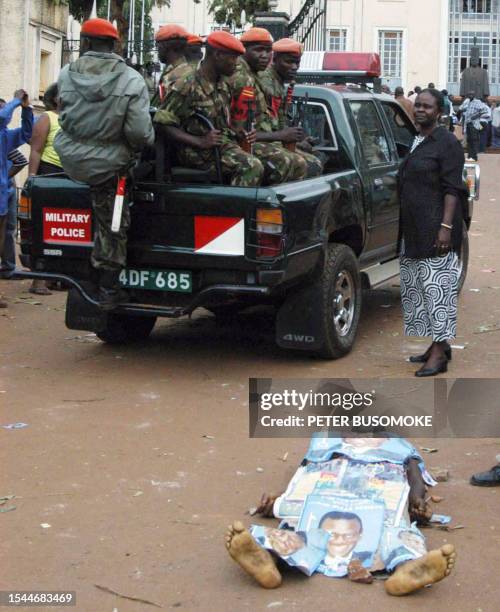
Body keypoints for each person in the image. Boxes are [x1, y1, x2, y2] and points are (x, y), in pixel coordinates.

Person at [225, 436, 456, 595]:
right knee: (298, 527)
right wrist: (281, 498)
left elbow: (416, 479)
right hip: (328, 501)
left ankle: (408, 568)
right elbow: (305, 476)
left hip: (376, 503)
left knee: (396, 533)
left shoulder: (400, 448)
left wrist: (416, 499)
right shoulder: (326, 446)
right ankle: (267, 560)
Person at [55, 18, 154, 310]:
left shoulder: (65, 73)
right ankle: (109, 287)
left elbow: (57, 105)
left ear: (84, 43)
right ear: (115, 45)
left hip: (68, 159)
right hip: (110, 166)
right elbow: (139, 134)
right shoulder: (132, 80)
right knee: (114, 222)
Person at [399, 89, 466, 376]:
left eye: (427, 107)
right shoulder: (418, 140)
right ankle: (436, 345)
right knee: (421, 291)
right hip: (414, 229)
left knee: (438, 291)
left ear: (439, 112)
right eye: (418, 106)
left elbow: (453, 188)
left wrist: (446, 228)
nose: (420, 110)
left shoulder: (447, 142)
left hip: (437, 230)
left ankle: (439, 355)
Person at [154, 30, 264, 187]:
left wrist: (241, 133)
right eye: (232, 57)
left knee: (267, 160)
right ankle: (233, 211)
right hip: (196, 152)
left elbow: (222, 122)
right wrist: (199, 141)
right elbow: (161, 124)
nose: (236, 63)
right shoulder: (187, 83)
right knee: (251, 167)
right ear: (218, 55)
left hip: (219, 145)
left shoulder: (223, 83)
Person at [226, 28, 318, 184]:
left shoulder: (254, 74)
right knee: (293, 162)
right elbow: (240, 130)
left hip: (259, 138)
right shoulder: (244, 77)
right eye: (259, 50)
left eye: (268, 51)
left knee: (312, 162)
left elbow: (273, 121)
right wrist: (280, 136)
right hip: (241, 142)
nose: (265, 56)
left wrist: (291, 138)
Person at [258, 37, 323, 178]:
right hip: (260, 142)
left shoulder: (278, 82)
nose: (294, 67)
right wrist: (285, 137)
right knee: (302, 164)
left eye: (297, 62)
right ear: (275, 59)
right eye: (288, 61)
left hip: (272, 140)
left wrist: (297, 140)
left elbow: (279, 123)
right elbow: (264, 127)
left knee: (315, 161)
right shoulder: (266, 82)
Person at [27, 83, 64, 295]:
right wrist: (32, 178)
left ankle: (57, 277)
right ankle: (38, 280)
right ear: (55, 99)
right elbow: (36, 150)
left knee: (63, 229)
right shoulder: (47, 118)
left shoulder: (76, 118)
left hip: (70, 177)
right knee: (42, 227)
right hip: (49, 174)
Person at [0, 89, 33, 308]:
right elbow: (3, 117)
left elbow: (27, 133)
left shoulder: (4, 136)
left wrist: (27, 108)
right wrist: (16, 101)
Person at [0, 141, 27, 279]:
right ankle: (8, 268)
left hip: (7, 187)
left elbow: (20, 161)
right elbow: (20, 161)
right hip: (7, 187)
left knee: (9, 230)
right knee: (8, 230)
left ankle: (8, 267)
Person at [151, 24, 191, 107]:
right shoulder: (175, 71)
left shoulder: (178, 76)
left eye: (157, 46)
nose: (157, 51)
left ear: (165, 47)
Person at [458, 91, 489, 161]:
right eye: (469, 94)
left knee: (474, 140)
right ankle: (470, 156)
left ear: (474, 95)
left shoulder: (477, 102)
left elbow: (485, 110)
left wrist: (477, 116)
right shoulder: (467, 101)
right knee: (469, 140)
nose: (470, 95)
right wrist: (462, 109)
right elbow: (460, 108)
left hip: (474, 124)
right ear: (467, 95)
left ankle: (474, 157)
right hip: (467, 123)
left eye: (472, 94)